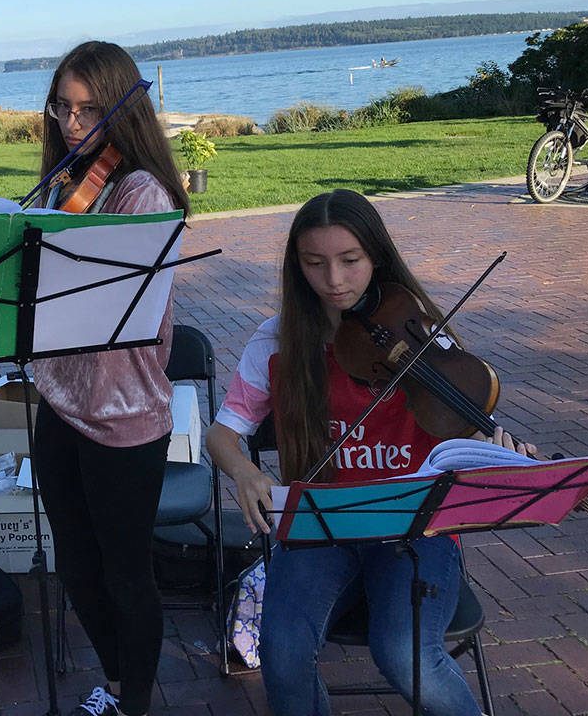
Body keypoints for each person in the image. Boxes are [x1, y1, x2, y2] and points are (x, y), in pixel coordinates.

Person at [205, 189, 533, 716]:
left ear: (376, 257)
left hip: (414, 529)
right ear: (297, 267)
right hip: (320, 529)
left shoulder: (419, 337)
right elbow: (221, 435)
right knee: (282, 655)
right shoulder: (277, 342)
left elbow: (460, 433)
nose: (334, 280)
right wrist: (244, 471)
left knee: (405, 654)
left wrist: (500, 455)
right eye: (315, 263)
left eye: (350, 260)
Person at [31, 41, 191, 716]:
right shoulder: (67, 182)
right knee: (75, 563)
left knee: (125, 574)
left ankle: (135, 700)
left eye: (90, 110)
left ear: (122, 110)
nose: (73, 124)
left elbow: (112, 312)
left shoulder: (140, 192)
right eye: (63, 108)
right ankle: (118, 681)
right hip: (60, 403)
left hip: (124, 415)